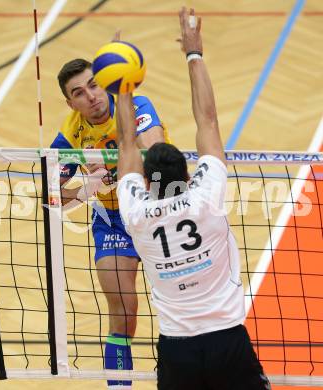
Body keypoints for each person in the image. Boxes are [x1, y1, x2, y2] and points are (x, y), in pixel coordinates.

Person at [116, 7, 271, 390]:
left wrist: (121, 85)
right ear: (187, 175)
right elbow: (208, 121)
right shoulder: (206, 196)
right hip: (227, 341)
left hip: (177, 348)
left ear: (147, 184)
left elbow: (125, 145)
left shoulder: (136, 212)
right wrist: (194, 52)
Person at [51, 53, 171, 389]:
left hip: (158, 209)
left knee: (176, 308)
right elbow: (52, 198)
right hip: (113, 220)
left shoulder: (136, 105)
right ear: (70, 103)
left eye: (93, 85)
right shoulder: (71, 135)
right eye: (79, 93)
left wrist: (121, 171)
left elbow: (157, 153)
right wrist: (87, 188)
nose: (91, 96)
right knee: (123, 313)